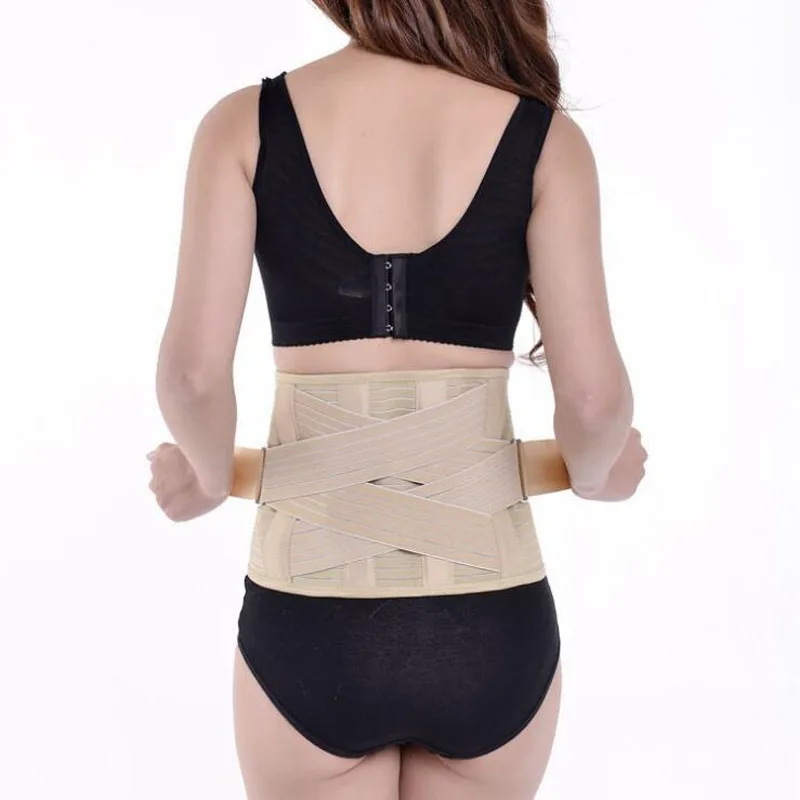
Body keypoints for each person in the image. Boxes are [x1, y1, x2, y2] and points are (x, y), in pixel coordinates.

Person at [147, 1, 647, 797]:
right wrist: (595, 471)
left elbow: (192, 380)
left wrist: (209, 478)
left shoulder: (245, 126)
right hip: (490, 628)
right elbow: (592, 401)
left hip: (312, 627)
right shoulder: (544, 140)